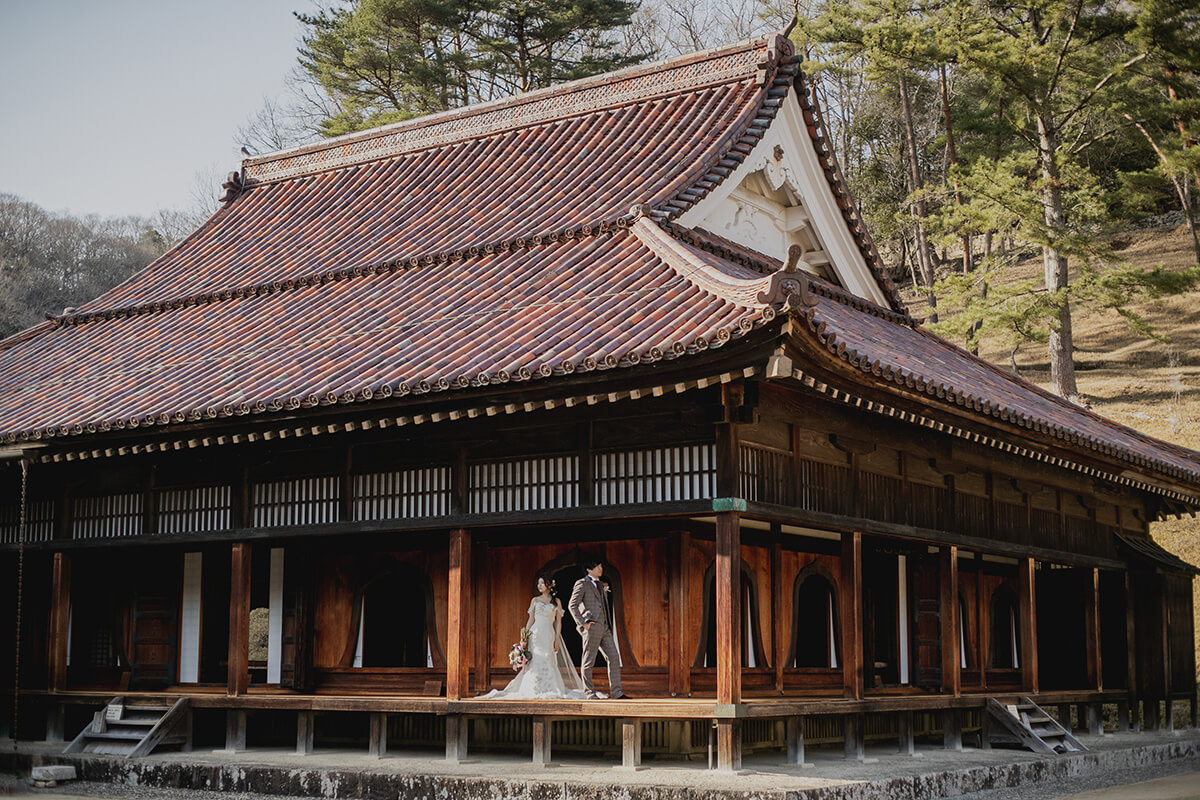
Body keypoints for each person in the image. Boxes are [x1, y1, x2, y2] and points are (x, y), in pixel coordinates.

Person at [479, 576, 587, 699]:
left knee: (549, 659)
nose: (539, 586)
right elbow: (531, 619)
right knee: (536, 660)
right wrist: (524, 636)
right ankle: (533, 687)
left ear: (549, 585)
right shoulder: (535, 600)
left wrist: (557, 638)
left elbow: (559, 622)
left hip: (549, 634)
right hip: (535, 634)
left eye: (542, 583)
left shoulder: (556, 601)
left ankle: (551, 687)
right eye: (538, 583)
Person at [568, 560, 630, 699]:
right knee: (589, 659)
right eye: (597, 566)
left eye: (601, 566)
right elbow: (572, 605)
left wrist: (607, 623)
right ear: (589, 570)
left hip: (605, 626)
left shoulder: (602, 585)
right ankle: (589, 693)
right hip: (592, 626)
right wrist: (583, 623)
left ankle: (617, 692)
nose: (600, 568)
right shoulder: (582, 583)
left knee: (614, 656)